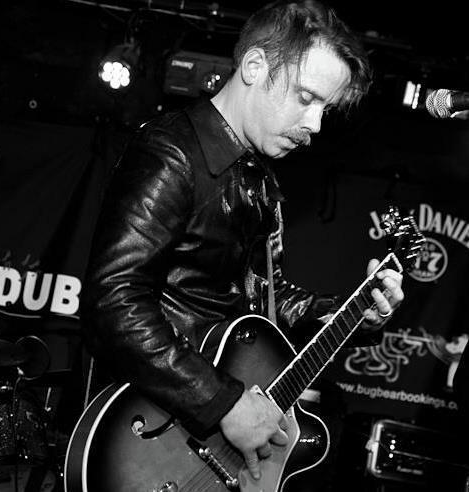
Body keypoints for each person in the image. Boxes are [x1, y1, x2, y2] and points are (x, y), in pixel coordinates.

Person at [81, 0, 404, 482]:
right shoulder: (172, 153)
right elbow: (112, 300)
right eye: (306, 97)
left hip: (206, 437)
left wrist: (353, 311)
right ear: (254, 66)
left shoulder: (261, 180)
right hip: (152, 432)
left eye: (325, 109)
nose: (315, 125)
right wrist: (221, 401)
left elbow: (265, 296)